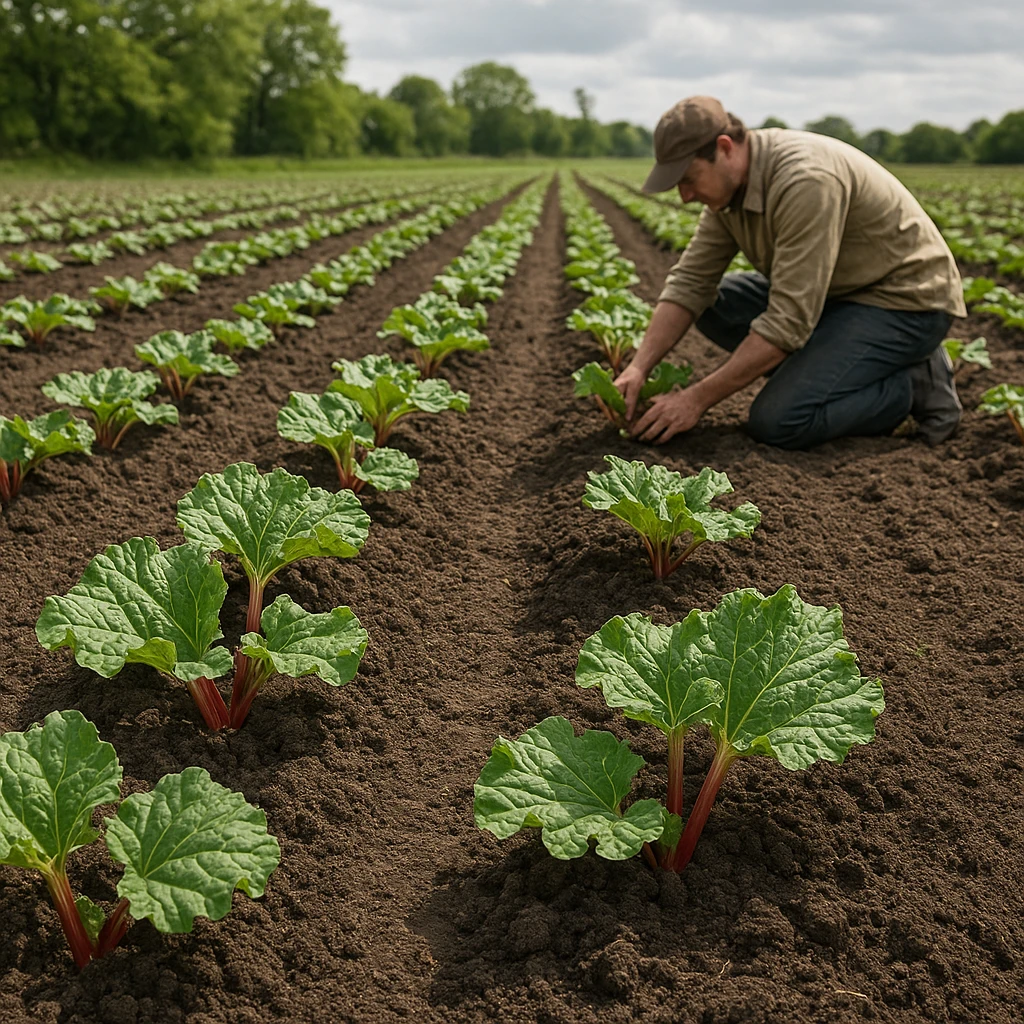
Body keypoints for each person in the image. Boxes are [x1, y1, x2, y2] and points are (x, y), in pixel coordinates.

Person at [615, 96, 966, 449]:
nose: (685, 196)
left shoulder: (806, 180)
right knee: (715, 302)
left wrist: (695, 400)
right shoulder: (729, 192)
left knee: (780, 421)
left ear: (724, 148)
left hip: (906, 302)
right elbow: (690, 282)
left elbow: (788, 323)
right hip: (840, 296)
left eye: (689, 179)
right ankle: (832, 370)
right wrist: (638, 367)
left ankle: (908, 385)